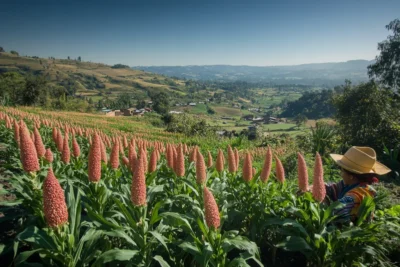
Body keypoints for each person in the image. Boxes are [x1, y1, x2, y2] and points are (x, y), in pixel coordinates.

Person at [326, 146, 391, 224]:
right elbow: (333, 188)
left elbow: (336, 211)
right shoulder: (351, 183)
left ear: (351, 176)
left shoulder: (360, 194)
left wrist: (325, 204)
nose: (340, 174)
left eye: (342, 171)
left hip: (350, 232)